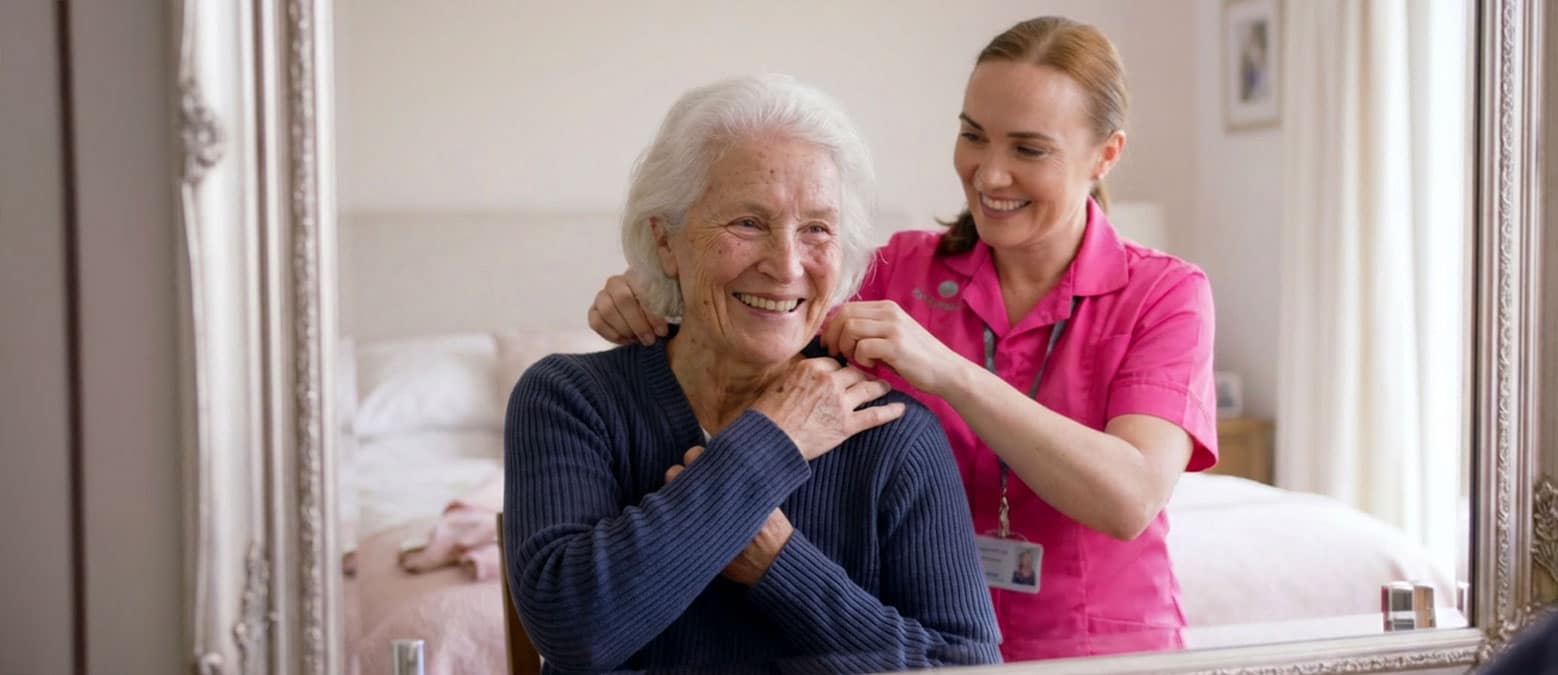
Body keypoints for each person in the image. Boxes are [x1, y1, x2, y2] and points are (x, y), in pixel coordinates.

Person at [585, 17, 1218, 661]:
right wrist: (655, 296)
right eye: (973, 136)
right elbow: (757, 310)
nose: (990, 175)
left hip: (1098, 647)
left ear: (1106, 154)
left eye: (1029, 150)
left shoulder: (1166, 294)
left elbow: (1131, 497)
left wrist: (948, 372)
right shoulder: (896, 270)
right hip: (912, 635)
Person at [504, 74, 1002, 674]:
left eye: (817, 229)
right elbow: (575, 632)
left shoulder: (893, 435)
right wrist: (773, 441)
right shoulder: (569, 399)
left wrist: (779, 565)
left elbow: (966, 666)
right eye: (747, 222)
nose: (786, 264)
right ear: (666, 241)